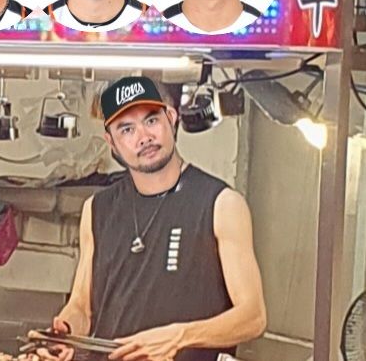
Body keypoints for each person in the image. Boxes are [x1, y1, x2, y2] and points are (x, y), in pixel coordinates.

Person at [39, 76, 266, 361]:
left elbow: (253, 317)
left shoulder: (221, 204)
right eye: (127, 129)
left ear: (171, 117)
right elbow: (82, 308)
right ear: (111, 142)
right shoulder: (97, 209)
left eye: (151, 120)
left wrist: (180, 336)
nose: (143, 137)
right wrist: (65, 333)